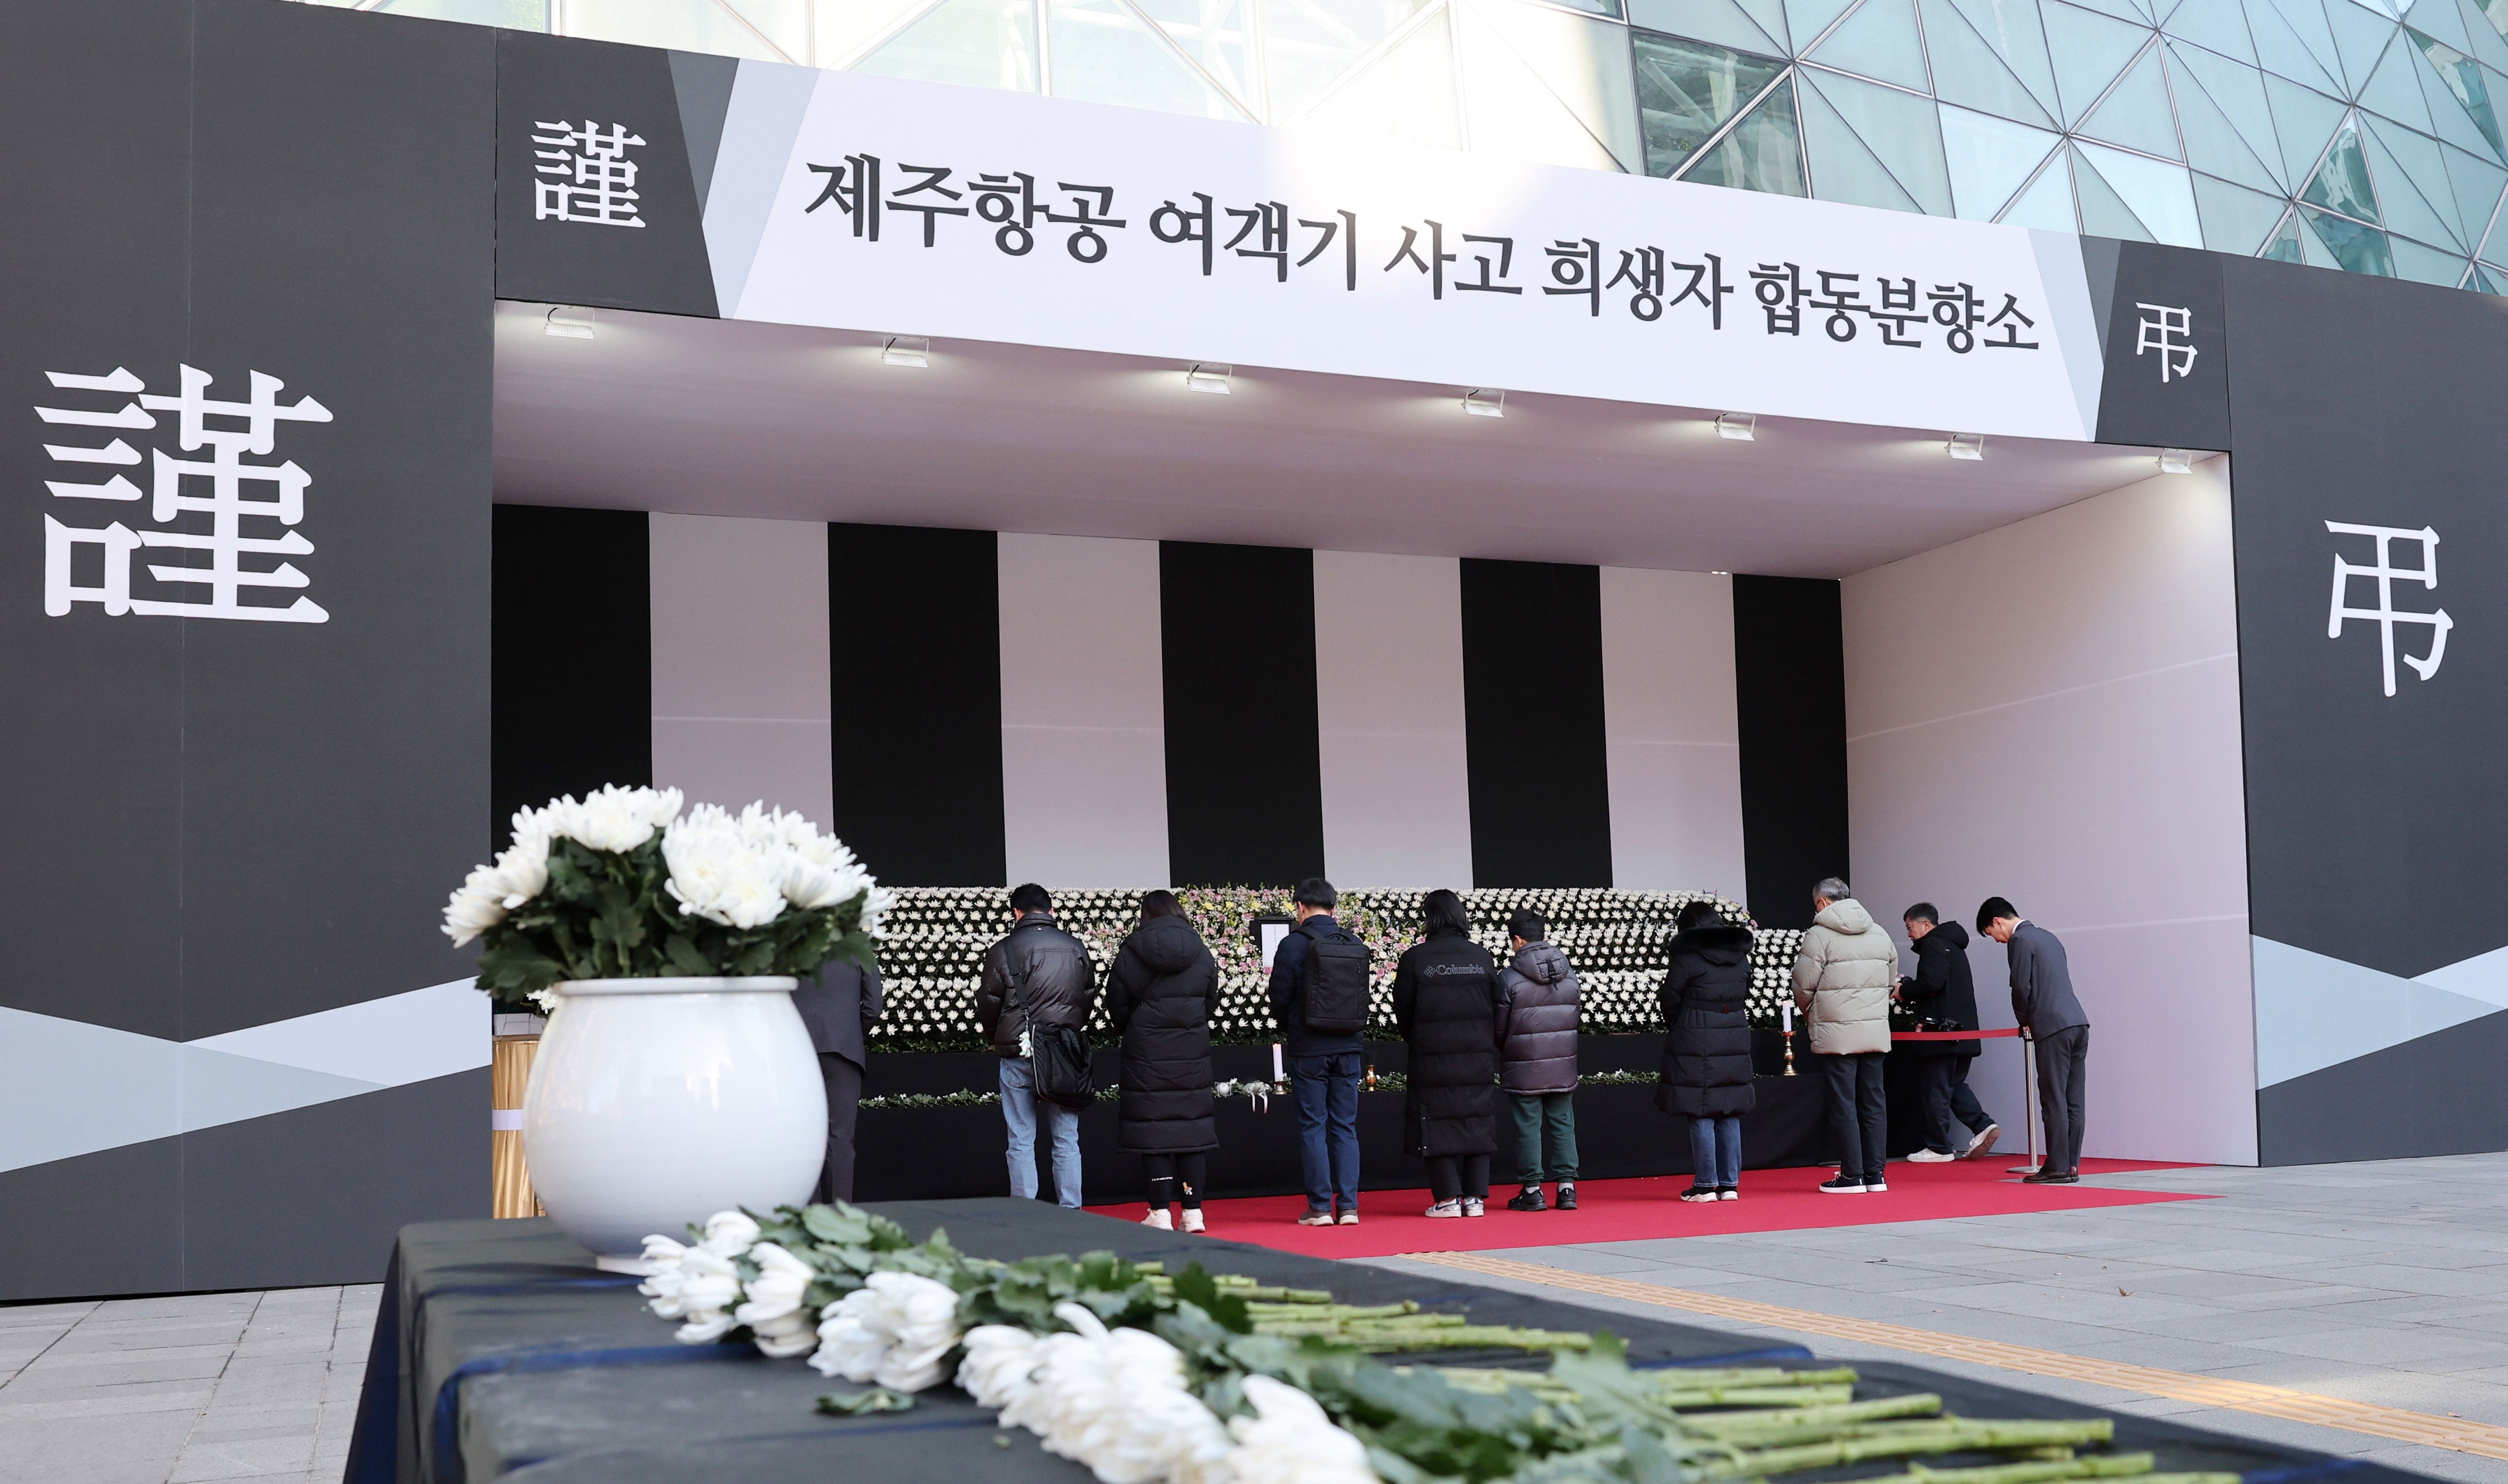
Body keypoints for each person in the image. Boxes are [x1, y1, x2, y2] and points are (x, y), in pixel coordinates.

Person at [975, 883, 1099, 1208]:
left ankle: (1025, 1213)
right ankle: (1071, 1210)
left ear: (1016, 913)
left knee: (1020, 1139)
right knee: (1067, 1139)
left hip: (1018, 1053)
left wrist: (998, 1039)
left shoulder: (1004, 949)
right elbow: (1086, 997)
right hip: (1062, 1055)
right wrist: (1067, 1033)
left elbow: (989, 1003)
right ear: (1052, 910)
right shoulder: (1075, 947)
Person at [1105, 890, 1220, 1231]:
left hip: (1146, 1053)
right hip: (1190, 1051)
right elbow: (1209, 1001)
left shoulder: (1130, 951)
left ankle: (1159, 1212)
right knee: (1191, 1129)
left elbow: (1117, 1004)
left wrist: (1140, 1027)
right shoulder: (1200, 951)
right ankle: (1193, 1210)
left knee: (1153, 1130)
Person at [1391, 889, 1501, 1218]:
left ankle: (1448, 1199)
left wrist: (1421, 1039)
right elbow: (1496, 1006)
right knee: (1477, 1118)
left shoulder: (1415, 959)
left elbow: (1403, 1012)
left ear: (1430, 918)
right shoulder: (1481, 957)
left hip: (1432, 1055)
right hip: (1478, 1054)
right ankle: (1476, 1199)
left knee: (1435, 1120)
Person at [1268, 877, 1371, 1226]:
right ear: (1333, 908)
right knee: (1346, 1126)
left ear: (1300, 908)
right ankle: (1350, 1207)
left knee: (1313, 1126)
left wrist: (1296, 1025)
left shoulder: (1292, 945)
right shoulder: (1353, 943)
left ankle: (1320, 1209)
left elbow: (1279, 998)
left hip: (1309, 1049)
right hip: (1349, 1048)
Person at [1791, 876, 1897, 1195]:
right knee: (1875, 1101)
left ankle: (1852, 1175)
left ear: (1822, 902)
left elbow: (1803, 984)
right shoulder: (1880, 932)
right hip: (1874, 1029)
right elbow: (1891, 981)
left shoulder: (1819, 935)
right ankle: (1876, 1174)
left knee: (1844, 1103)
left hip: (1837, 1031)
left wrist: (1809, 1010)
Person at [1978, 897, 2090, 1184]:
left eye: (1993, 935)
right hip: (2077, 1021)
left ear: (1997, 922)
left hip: (2051, 1025)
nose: (1998, 941)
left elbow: (2021, 986)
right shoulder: (2048, 937)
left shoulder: (2021, 941)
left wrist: (2023, 1019)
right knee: (2073, 1098)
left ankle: (2056, 1167)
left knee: (2053, 1098)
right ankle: (2072, 1164)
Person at [1658, 899, 1754, 1203]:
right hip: (1735, 1033)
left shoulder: (1687, 958)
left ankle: (1705, 1185)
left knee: (1700, 1109)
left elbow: (1670, 999)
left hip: (1695, 1034)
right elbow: (1744, 992)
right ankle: (1729, 1185)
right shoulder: (1739, 957)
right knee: (1729, 1107)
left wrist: (1682, 1022)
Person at [1897, 903, 1999, 1164]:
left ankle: (1939, 1147)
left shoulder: (1933, 945)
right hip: (1962, 1033)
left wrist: (1904, 991)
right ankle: (1983, 1125)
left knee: (1935, 1089)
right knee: (1953, 1084)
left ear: (1926, 925)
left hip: (1941, 1033)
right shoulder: (1953, 946)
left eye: (1910, 927)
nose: (1909, 934)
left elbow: (1932, 983)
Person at [1498, 909, 1581, 1212]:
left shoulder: (1508, 978)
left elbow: (1499, 1027)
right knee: (1563, 1123)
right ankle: (1567, 1189)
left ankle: (1532, 1190)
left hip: (1523, 1063)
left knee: (1528, 1126)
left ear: (1518, 940)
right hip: (1563, 1062)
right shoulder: (1568, 972)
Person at [791, 952, 885, 1204]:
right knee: (841, 1138)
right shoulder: (858, 948)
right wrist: (850, 1033)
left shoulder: (793, 947)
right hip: (843, 1052)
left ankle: (807, 1212)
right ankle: (839, 1213)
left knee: (803, 1136)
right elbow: (874, 1006)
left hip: (796, 1050)